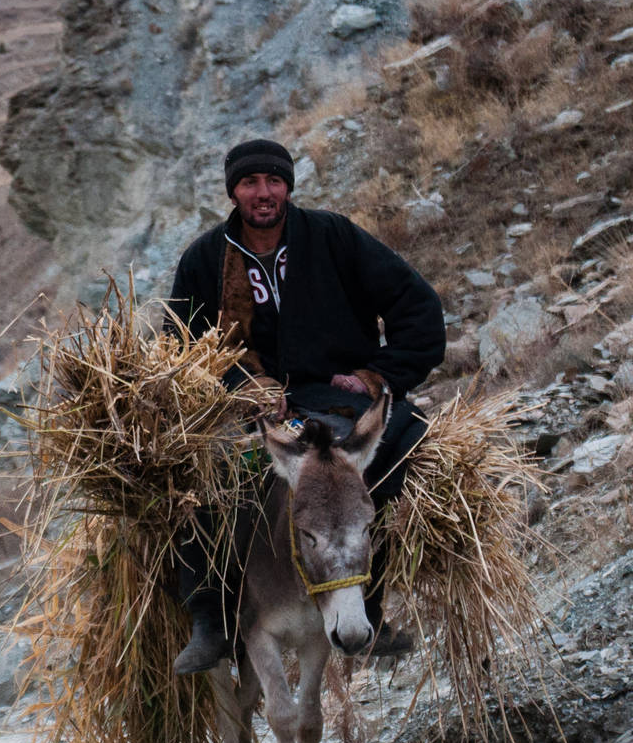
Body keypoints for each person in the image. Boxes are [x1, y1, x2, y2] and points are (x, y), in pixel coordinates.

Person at [164, 137, 445, 674]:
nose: (263, 193)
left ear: (288, 186)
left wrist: (376, 375)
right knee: (201, 475)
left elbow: (419, 308)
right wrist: (238, 386)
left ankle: (370, 605)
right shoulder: (204, 260)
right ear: (233, 192)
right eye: (249, 183)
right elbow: (177, 352)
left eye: (273, 181)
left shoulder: (332, 237)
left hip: (335, 402)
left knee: (405, 441)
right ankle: (212, 618)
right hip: (243, 411)